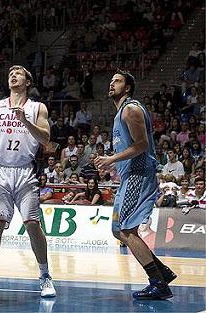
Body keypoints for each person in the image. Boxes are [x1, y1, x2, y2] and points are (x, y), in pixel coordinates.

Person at [0, 65, 56, 298]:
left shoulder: (37, 108)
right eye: (10, 74)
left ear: (28, 82)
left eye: (19, 73)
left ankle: (45, 276)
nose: (13, 75)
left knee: (32, 225)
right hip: (0, 173)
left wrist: (25, 121)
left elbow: (46, 138)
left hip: (26, 172)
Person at [95, 70, 176, 300]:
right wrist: (112, 165)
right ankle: (160, 271)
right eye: (110, 81)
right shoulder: (120, 112)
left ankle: (158, 283)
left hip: (139, 174)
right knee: (117, 230)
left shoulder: (131, 110)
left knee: (126, 230)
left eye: (117, 81)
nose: (112, 84)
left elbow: (141, 145)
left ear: (128, 87)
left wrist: (111, 159)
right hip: (128, 175)